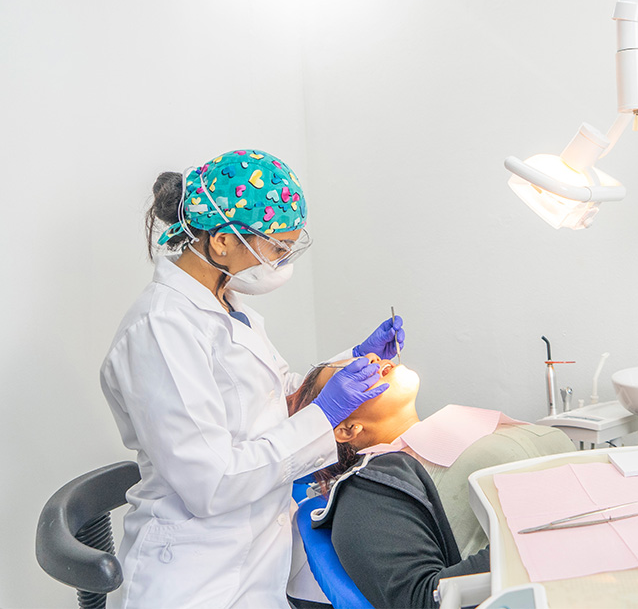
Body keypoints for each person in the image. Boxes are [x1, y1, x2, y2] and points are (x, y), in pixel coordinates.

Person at [100, 150, 405, 608]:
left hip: (258, 551)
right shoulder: (160, 330)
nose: (283, 262)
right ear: (222, 241)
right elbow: (212, 483)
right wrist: (324, 413)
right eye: (278, 248)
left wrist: (350, 362)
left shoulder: (227, 306)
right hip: (197, 574)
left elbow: (271, 396)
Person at [285, 355, 575, 608]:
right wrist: (554, 540)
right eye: (350, 375)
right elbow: (425, 598)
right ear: (347, 429)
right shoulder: (369, 488)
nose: (371, 360)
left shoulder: (455, 432)